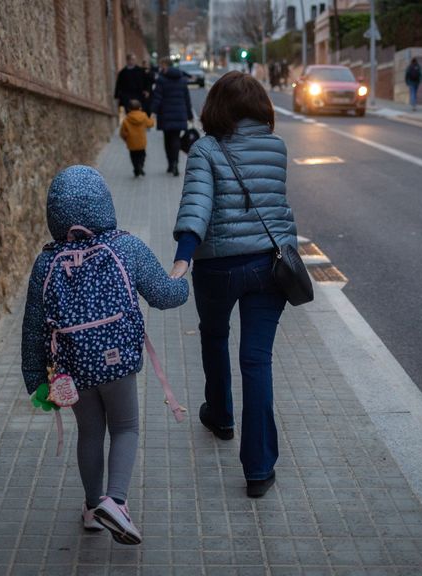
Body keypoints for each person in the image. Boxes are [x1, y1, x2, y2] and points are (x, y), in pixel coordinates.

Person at [22, 166, 188, 545]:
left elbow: (33, 328)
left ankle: (93, 506)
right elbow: (164, 295)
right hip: (117, 363)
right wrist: (183, 281)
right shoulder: (125, 247)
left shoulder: (46, 263)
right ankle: (116, 502)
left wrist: (35, 379)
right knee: (126, 427)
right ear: (104, 206)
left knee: (91, 432)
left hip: (72, 368)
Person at [168, 71, 298, 499]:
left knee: (214, 335)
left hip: (219, 269)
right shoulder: (276, 147)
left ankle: (221, 415)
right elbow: (276, 205)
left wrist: (183, 255)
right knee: (256, 362)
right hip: (268, 265)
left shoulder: (206, 148)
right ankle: (259, 470)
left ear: (216, 107)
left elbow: (197, 203)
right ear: (261, 106)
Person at [149, 59, 194, 177]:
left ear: (166, 67)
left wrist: (153, 112)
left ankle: (170, 164)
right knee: (175, 138)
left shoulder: (161, 80)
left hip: (165, 114)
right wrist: (190, 116)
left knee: (167, 139)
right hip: (180, 113)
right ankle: (175, 163)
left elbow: (157, 97)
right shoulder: (182, 79)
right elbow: (187, 99)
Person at [119, 99, 154, 177]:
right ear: (140, 108)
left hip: (131, 143)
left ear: (128, 109)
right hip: (141, 142)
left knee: (133, 156)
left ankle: (136, 168)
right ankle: (140, 166)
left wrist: (125, 139)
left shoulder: (126, 119)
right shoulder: (144, 116)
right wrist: (152, 118)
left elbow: (122, 133)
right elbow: (150, 124)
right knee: (142, 155)